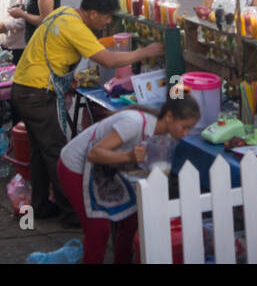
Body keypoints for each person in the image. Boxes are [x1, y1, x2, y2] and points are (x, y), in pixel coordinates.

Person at [11, 0, 164, 223]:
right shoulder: (76, 26)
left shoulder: (63, 13)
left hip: (25, 86)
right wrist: (145, 52)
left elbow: (51, 48)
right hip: (35, 92)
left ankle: (41, 205)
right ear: (92, 13)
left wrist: (66, 75)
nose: (106, 23)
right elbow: (108, 58)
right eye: (105, 18)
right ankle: (73, 210)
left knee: (41, 151)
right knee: (56, 151)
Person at [57, 96, 201, 264]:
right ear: (169, 117)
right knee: (98, 230)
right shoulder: (133, 123)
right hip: (75, 167)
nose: (186, 134)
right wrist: (129, 156)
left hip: (106, 168)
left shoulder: (162, 133)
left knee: (131, 217)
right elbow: (94, 154)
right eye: (184, 127)